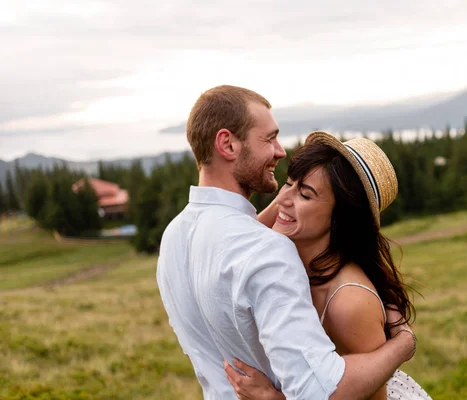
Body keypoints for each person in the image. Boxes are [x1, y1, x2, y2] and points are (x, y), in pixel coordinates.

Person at [156, 85, 417, 400]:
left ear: (339, 217)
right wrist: (403, 344)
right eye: (269, 139)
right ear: (227, 143)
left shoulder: (175, 236)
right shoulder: (264, 249)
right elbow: (320, 392)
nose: (279, 152)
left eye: (304, 192)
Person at [223, 132, 432, 400]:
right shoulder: (289, 252)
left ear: (340, 218)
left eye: (306, 195)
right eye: (288, 184)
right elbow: (241, 241)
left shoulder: (349, 303)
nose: (282, 200)